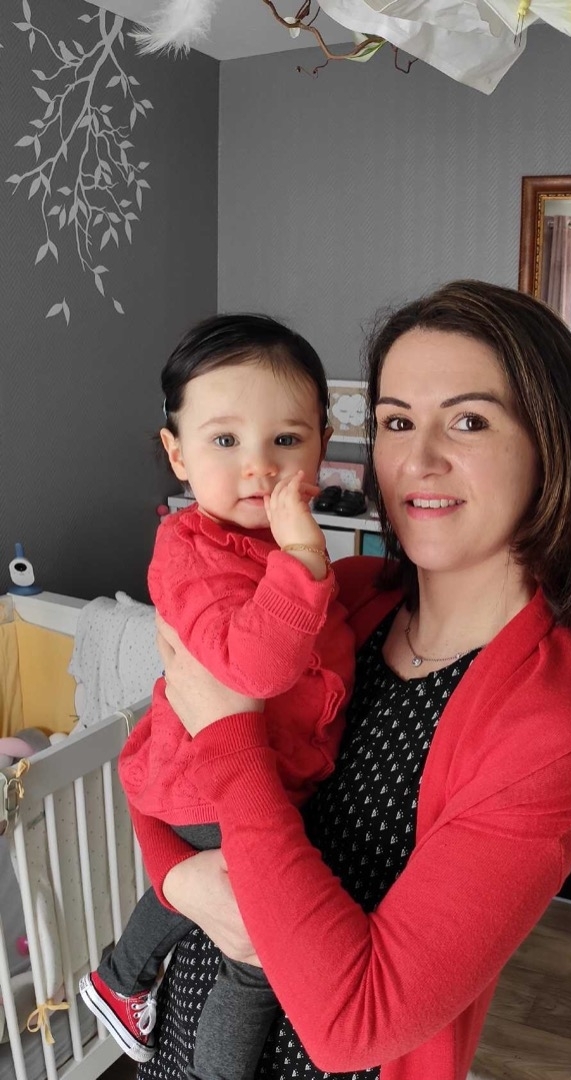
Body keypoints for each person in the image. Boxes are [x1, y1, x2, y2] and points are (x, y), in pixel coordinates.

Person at [136, 280, 571, 1080]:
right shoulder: (336, 601)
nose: (419, 460)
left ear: (551, 444)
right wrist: (180, 881)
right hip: (188, 1027)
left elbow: (357, 1024)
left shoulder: (557, 717)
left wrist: (229, 734)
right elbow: (166, 764)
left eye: (468, 421)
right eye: (395, 422)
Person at [79, 314, 356, 1076]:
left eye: (286, 439)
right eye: (225, 440)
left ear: (322, 445)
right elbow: (255, 672)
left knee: (230, 919)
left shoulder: (277, 550)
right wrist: (302, 556)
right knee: (261, 953)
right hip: (207, 784)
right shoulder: (193, 553)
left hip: (252, 778)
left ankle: (120, 978)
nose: (258, 467)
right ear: (178, 455)